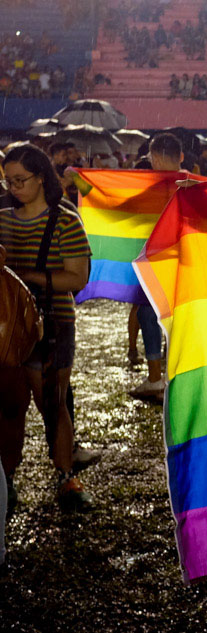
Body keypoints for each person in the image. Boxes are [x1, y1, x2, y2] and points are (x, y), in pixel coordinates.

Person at [0, 144, 95, 512]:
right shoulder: (3, 217)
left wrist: (22, 278)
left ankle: (65, 477)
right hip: (7, 328)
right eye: (9, 181)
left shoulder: (65, 219)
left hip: (52, 325)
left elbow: (78, 277)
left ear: (41, 177)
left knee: (52, 404)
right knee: (9, 406)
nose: (14, 188)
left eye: (21, 180)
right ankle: (6, 479)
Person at [130, 133, 184, 397]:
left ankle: (155, 378)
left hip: (156, 262)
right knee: (174, 318)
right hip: (184, 264)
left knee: (148, 315)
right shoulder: (192, 185)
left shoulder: (147, 187)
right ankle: (176, 375)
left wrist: (83, 183)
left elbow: (115, 204)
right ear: (181, 156)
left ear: (155, 157)